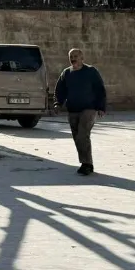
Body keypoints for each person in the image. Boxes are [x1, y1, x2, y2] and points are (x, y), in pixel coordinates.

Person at [54, 48, 107, 176]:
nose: (73, 58)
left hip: (89, 109)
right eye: (71, 56)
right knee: (77, 137)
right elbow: (60, 90)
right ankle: (88, 163)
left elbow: (100, 89)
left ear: (82, 58)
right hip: (73, 109)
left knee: (82, 135)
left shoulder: (91, 71)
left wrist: (101, 107)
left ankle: (86, 164)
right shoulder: (67, 73)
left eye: (75, 56)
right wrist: (58, 103)